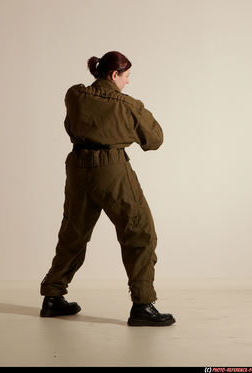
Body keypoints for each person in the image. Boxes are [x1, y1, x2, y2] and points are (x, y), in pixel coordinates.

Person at [39, 51, 175, 327]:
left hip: (77, 167)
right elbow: (155, 139)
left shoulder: (74, 95)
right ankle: (142, 304)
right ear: (114, 75)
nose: (127, 83)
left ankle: (52, 297)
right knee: (139, 231)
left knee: (73, 232)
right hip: (110, 169)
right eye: (126, 77)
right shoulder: (127, 105)